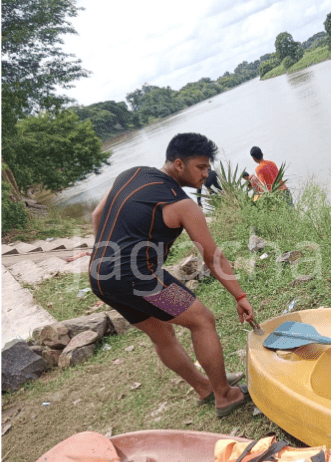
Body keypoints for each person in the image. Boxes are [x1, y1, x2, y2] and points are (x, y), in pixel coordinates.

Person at [89, 133, 253, 418]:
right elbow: (213, 257)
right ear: (179, 164)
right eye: (201, 167)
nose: (207, 173)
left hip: (100, 277)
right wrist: (239, 295)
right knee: (203, 320)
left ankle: (205, 387)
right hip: (139, 277)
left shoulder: (131, 174)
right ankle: (224, 396)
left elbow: (97, 214)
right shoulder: (183, 205)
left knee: (162, 335)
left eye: (208, 167)